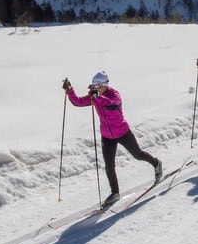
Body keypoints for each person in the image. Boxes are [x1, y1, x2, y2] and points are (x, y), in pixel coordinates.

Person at [63, 71, 162, 208]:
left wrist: (98, 98)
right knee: (109, 166)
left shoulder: (113, 94)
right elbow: (78, 102)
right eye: (93, 86)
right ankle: (115, 192)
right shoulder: (95, 96)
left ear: (104, 85)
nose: (94, 89)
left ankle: (156, 163)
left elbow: (113, 105)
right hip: (107, 136)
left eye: (97, 86)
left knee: (138, 155)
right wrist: (69, 90)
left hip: (122, 132)